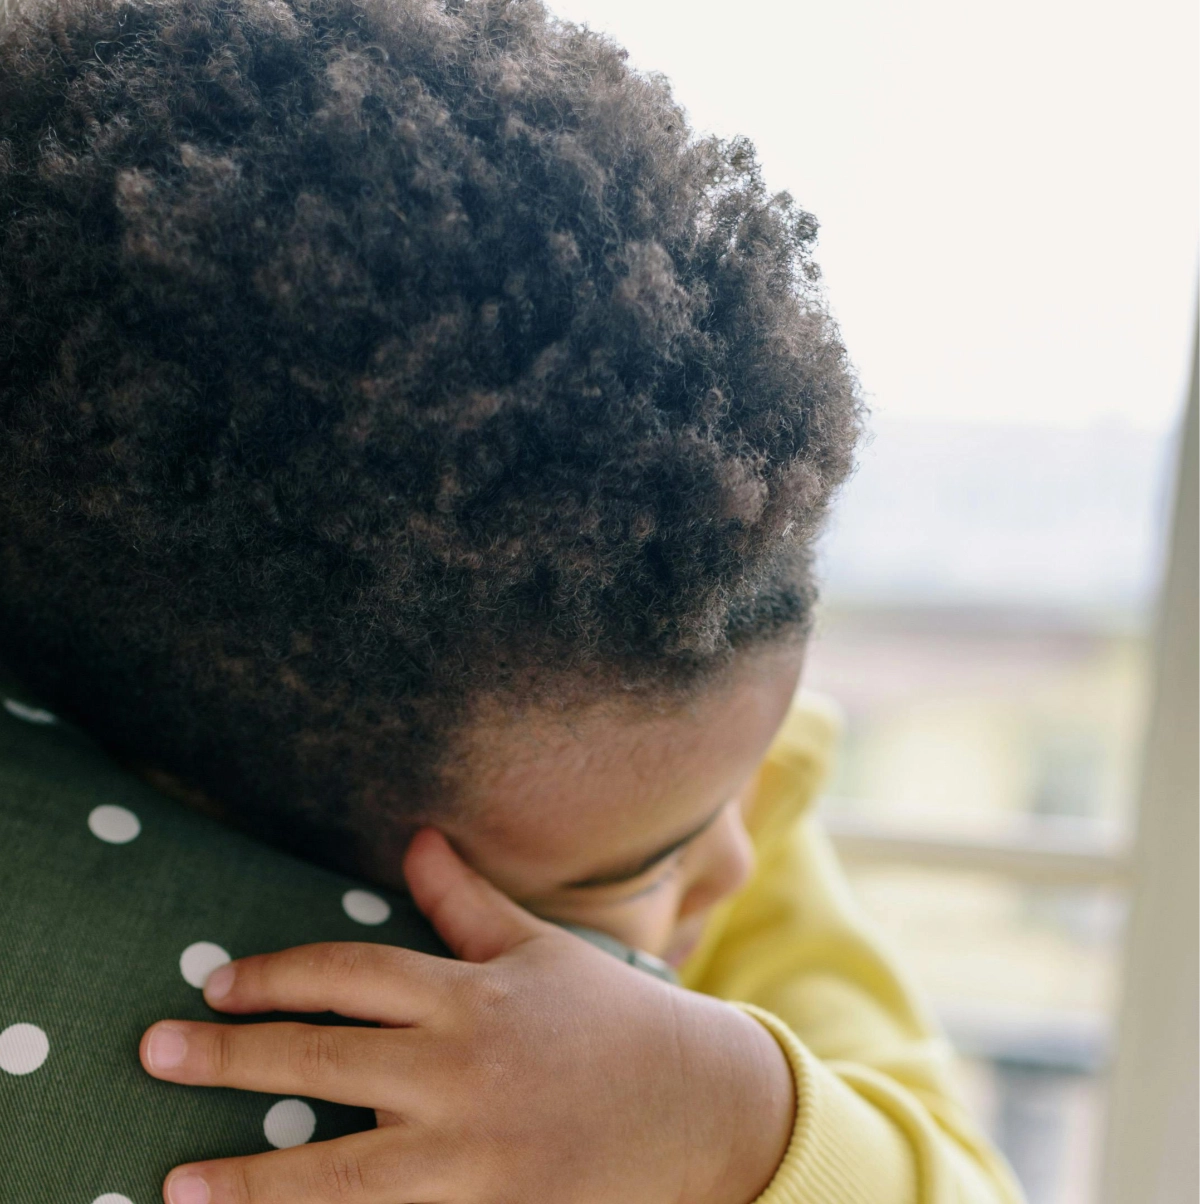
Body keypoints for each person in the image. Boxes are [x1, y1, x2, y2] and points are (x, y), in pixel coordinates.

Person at [0, 0, 1024, 1200]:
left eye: (740, 790)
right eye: (624, 876)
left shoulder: (717, 776)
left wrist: (730, 1116)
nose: (739, 861)